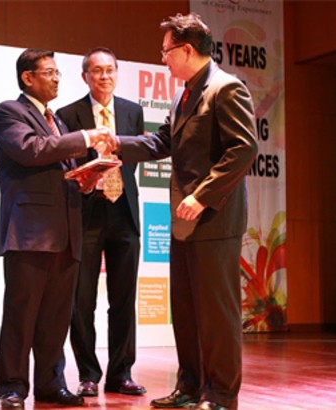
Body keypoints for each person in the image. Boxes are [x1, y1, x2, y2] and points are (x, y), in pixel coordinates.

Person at [113, 13, 259, 410]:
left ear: (187, 50)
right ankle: (190, 387)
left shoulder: (226, 89)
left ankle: (221, 395)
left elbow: (243, 150)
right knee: (188, 312)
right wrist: (114, 145)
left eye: (166, 52)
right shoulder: (183, 93)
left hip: (213, 218)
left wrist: (203, 195)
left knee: (217, 315)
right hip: (184, 221)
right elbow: (163, 141)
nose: (163, 59)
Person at [0, 48, 117, 409]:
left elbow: (63, 167)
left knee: (55, 317)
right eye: (49, 72)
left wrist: (87, 178)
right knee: (21, 313)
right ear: (28, 77)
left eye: (58, 72)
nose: (57, 78)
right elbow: (32, 150)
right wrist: (87, 138)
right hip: (29, 231)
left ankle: (50, 383)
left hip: (67, 232)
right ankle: (12, 387)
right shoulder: (9, 112)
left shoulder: (58, 122)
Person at [55, 47, 147, 398]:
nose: (104, 76)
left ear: (117, 74)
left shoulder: (132, 111)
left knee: (123, 299)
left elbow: (133, 158)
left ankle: (121, 373)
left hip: (124, 211)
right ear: (85, 76)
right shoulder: (68, 114)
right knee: (82, 300)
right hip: (87, 213)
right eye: (97, 71)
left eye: (109, 70)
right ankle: (88, 374)